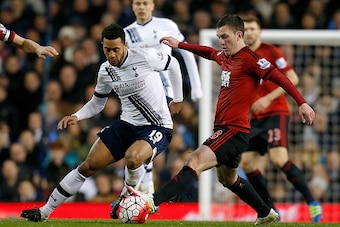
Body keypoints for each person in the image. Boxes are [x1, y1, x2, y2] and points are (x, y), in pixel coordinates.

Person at [123, 14, 316, 225]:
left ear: (239, 35)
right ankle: (265, 212)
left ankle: (151, 202)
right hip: (228, 129)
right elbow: (208, 52)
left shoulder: (250, 58)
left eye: (225, 37)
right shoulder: (226, 56)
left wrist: (301, 102)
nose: (221, 42)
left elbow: (279, 76)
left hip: (234, 130)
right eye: (219, 37)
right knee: (228, 179)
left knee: (194, 160)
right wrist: (180, 44)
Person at [20, 23, 183, 222]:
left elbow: (173, 64)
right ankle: (44, 212)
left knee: (133, 158)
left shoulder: (144, 57)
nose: (112, 55)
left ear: (124, 45)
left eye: (116, 49)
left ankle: (125, 195)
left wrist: (178, 99)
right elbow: (97, 103)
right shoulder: (106, 71)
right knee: (87, 166)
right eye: (107, 50)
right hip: (127, 125)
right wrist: (77, 116)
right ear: (102, 47)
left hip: (157, 125)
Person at [110, 0, 202, 215]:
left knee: (147, 138)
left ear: (152, 5)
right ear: (133, 7)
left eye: (145, 3)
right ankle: (145, 193)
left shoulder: (167, 25)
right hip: (139, 91)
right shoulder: (126, 33)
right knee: (142, 141)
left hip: (164, 88)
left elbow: (186, 52)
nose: (141, 7)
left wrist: (196, 88)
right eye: (137, 3)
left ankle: (142, 193)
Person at [239, 15, 322, 222]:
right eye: (245, 29)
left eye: (252, 28)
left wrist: (267, 98)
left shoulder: (271, 51)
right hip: (255, 118)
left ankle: (311, 201)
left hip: (276, 112)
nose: (249, 32)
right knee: (248, 164)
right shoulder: (239, 55)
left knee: (278, 159)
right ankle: (271, 210)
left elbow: (293, 78)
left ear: (259, 31)